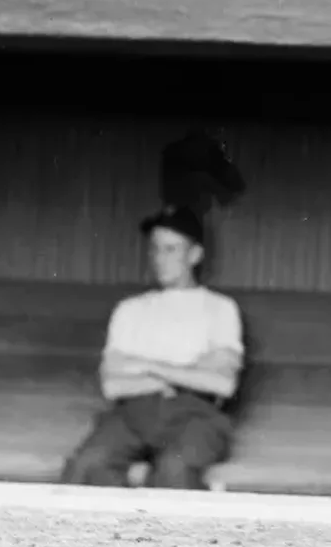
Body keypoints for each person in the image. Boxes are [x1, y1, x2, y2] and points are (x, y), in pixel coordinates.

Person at [62, 206, 243, 490]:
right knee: (87, 465)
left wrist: (147, 366)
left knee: (175, 469)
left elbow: (221, 383)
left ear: (195, 255)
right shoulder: (130, 310)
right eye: (155, 249)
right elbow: (114, 385)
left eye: (171, 249)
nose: (160, 259)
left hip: (195, 416)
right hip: (133, 414)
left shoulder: (219, 309)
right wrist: (190, 370)